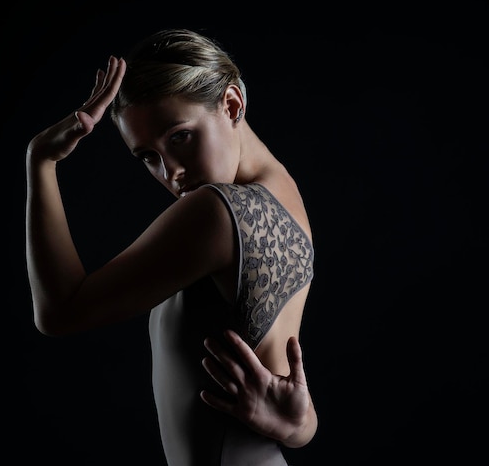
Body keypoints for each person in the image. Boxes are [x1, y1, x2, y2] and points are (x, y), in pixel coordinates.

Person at [25, 28, 317, 465]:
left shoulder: (215, 211)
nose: (172, 172)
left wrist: (41, 161)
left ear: (232, 104)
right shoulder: (286, 196)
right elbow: (292, 415)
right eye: (148, 156)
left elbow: (60, 311)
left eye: (180, 136)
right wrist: (300, 427)